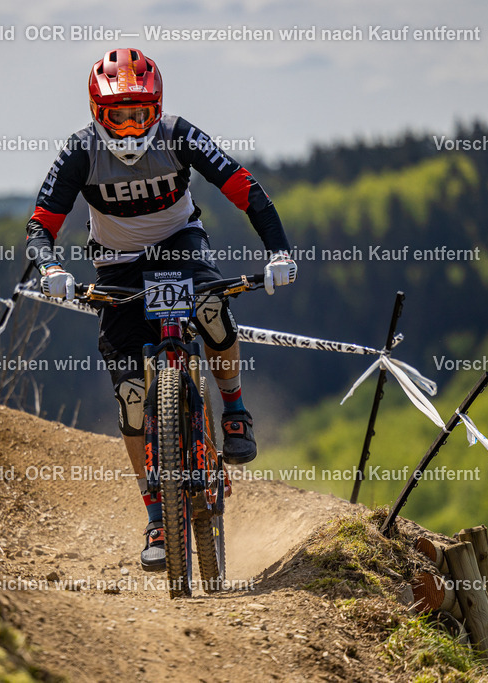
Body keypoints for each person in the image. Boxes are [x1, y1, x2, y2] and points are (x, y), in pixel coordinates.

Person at [25, 48, 296, 571]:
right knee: (130, 396)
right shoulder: (79, 150)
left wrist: (278, 251)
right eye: (117, 117)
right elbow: (42, 223)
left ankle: (234, 410)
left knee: (213, 305)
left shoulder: (179, 135)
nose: (129, 131)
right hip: (117, 267)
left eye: (140, 115)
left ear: (158, 108)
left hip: (180, 245)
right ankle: (155, 513)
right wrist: (50, 270)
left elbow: (245, 189)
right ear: (96, 114)